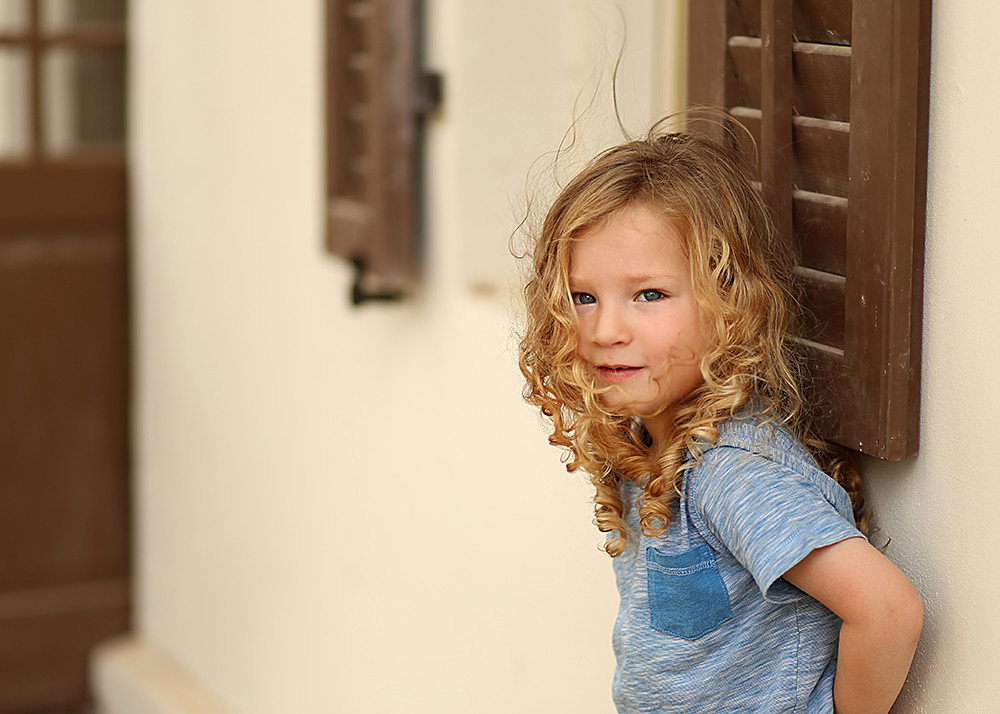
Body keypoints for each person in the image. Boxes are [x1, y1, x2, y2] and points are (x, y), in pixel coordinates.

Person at [517, 120, 924, 713]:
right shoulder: (649, 440)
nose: (605, 330)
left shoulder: (732, 470)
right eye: (583, 297)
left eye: (649, 295)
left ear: (728, 303)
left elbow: (887, 611)